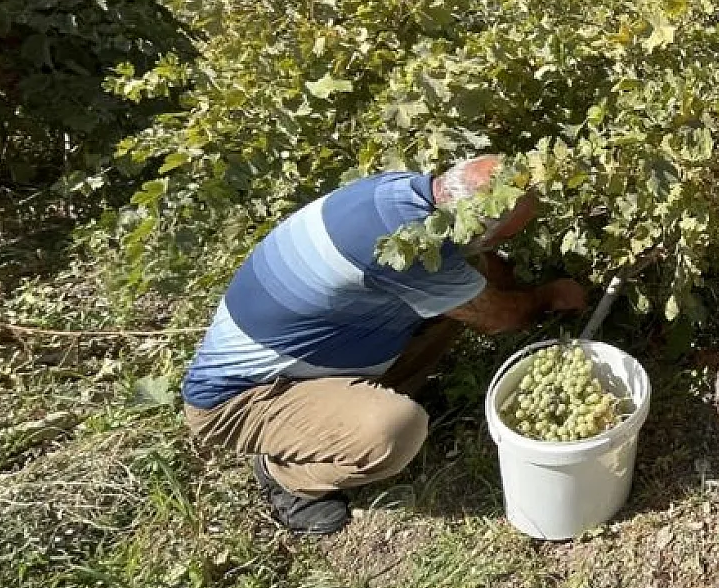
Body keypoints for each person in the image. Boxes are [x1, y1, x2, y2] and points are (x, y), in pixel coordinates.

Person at [181, 155, 586, 536]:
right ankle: (287, 476)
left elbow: (479, 269)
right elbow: (497, 316)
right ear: (477, 224)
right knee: (394, 431)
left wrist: (508, 278)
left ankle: (356, 402)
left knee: (462, 295)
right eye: (506, 235)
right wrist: (546, 297)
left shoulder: (408, 195)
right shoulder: (411, 252)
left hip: (302, 356)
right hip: (239, 399)